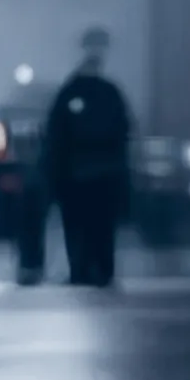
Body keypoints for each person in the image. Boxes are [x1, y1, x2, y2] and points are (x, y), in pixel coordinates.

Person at [43, 28, 131, 287]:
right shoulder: (109, 93)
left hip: (80, 174)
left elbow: (56, 136)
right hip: (99, 173)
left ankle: (83, 270)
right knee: (99, 226)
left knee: (81, 226)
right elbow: (123, 133)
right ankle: (99, 270)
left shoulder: (71, 92)